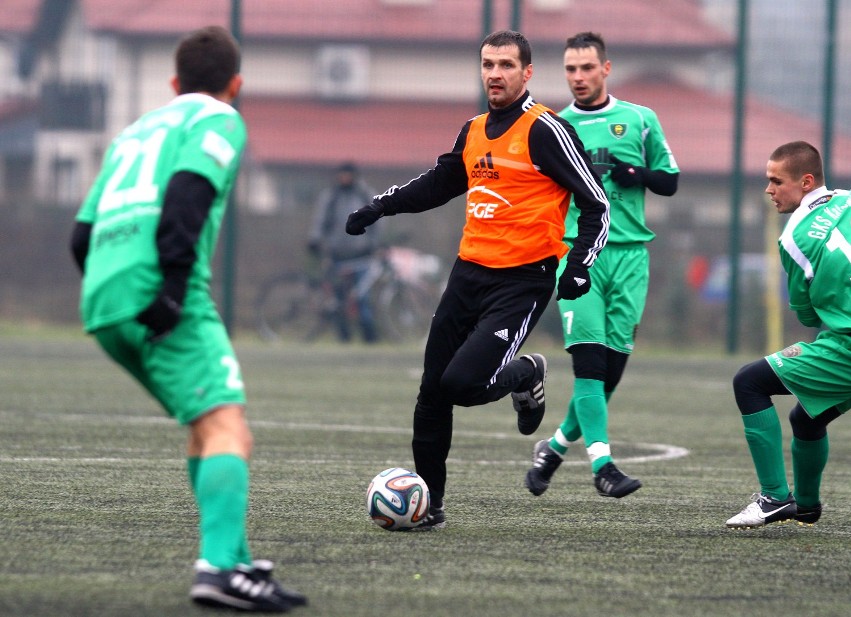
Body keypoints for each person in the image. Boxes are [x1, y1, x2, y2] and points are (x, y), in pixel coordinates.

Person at [69, 26, 306, 612]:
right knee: (231, 431)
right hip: (161, 290)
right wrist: (172, 287)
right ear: (236, 84)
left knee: (207, 426)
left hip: (102, 298)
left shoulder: (135, 130)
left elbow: (81, 235)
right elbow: (187, 194)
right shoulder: (218, 120)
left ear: (173, 83)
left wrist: (114, 286)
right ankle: (218, 569)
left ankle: (238, 563)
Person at [346, 30, 610, 529]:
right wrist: (380, 206)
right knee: (431, 394)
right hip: (468, 275)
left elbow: (596, 201)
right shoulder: (473, 130)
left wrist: (578, 265)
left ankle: (527, 373)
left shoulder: (546, 130)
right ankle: (430, 507)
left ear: (527, 73)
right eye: (488, 64)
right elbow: (441, 182)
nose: (495, 73)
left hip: (522, 281)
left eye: (506, 65)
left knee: (464, 385)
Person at [525, 31, 679, 499]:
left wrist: (635, 175)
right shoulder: (554, 126)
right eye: (570, 69)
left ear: (605, 69)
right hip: (578, 256)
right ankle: (603, 466)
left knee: (608, 374)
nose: (578, 77)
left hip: (631, 256)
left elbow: (669, 182)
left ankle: (552, 449)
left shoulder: (639, 119)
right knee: (589, 366)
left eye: (586, 68)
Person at [726, 141, 849, 529]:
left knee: (749, 382)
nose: (769, 190)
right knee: (807, 417)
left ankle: (775, 498)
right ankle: (807, 506)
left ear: (806, 182)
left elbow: (807, 314)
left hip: (847, 347)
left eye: (776, 181)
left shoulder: (795, 237)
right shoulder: (846, 200)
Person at [307, 162, 380, 343]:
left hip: (362, 254)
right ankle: (343, 334)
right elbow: (320, 220)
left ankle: (368, 335)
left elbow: (378, 219)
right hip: (337, 255)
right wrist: (315, 239)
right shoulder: (331, 197)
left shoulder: (364, 194)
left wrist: (373, 243)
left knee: (362, 297)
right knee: (339, 298)